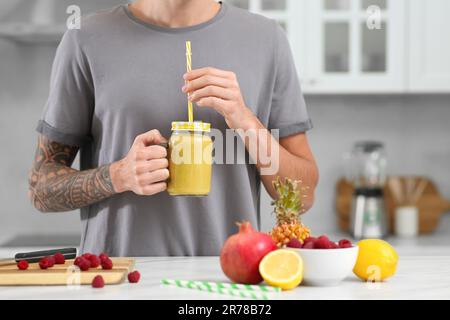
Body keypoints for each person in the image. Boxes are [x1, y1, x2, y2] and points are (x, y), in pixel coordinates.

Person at [29, 0, 318, 256]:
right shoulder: (85, 38)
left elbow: (302, 197)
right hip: (118, 283)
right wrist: (117, 176)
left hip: (227, 282)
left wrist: (245, 120)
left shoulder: (267, 40)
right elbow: (40, 188)